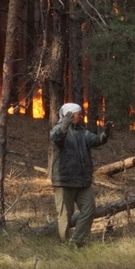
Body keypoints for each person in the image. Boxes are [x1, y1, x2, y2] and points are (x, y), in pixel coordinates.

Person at [49, 102, 113, 247]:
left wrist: (105, 133)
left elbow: (96, 140)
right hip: (65, 181)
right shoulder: (59, 130)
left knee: (89, 209)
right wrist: (64, 125)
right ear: (70, 115)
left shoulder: (82, 132)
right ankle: (63, 245)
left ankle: (77, 242)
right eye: (79, 114)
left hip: (83, 182)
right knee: (65, 215)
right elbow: (56, 138)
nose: (82, 116)